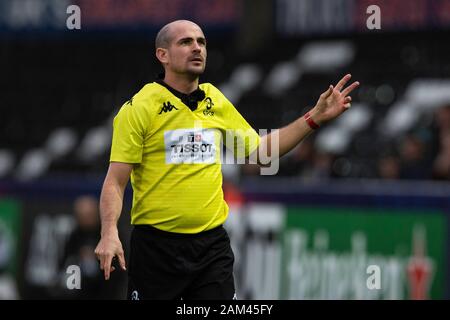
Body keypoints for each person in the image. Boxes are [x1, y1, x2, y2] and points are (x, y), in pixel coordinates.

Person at [94, 20, 359, 300]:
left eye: (202, 42)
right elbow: (115, 181)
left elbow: (260, 154)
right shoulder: (139, 108)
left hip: (211, 248)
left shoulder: (215, 100)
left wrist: (313, 118)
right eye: (186, 42)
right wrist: (109, 231)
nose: (197, 48)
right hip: (157, 250)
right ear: (163, 55)